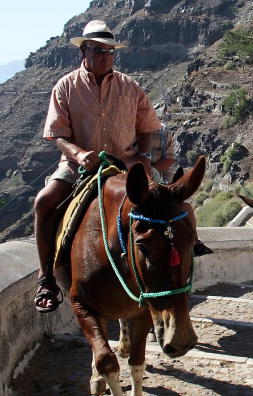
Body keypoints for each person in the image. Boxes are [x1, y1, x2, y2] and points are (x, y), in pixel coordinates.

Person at [33, 20, 162, 313]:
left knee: (165, 204)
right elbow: (57, 135)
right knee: (44, 202)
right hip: (78, 166)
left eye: (110, 51)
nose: (106, 56)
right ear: (84, 51)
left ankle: (180, 260)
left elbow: (149, 130)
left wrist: (144, 159)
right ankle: (47, 278)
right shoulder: (65, 86)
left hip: (126, 164)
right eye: (99, 50)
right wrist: (79, 155)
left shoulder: (131, 87)